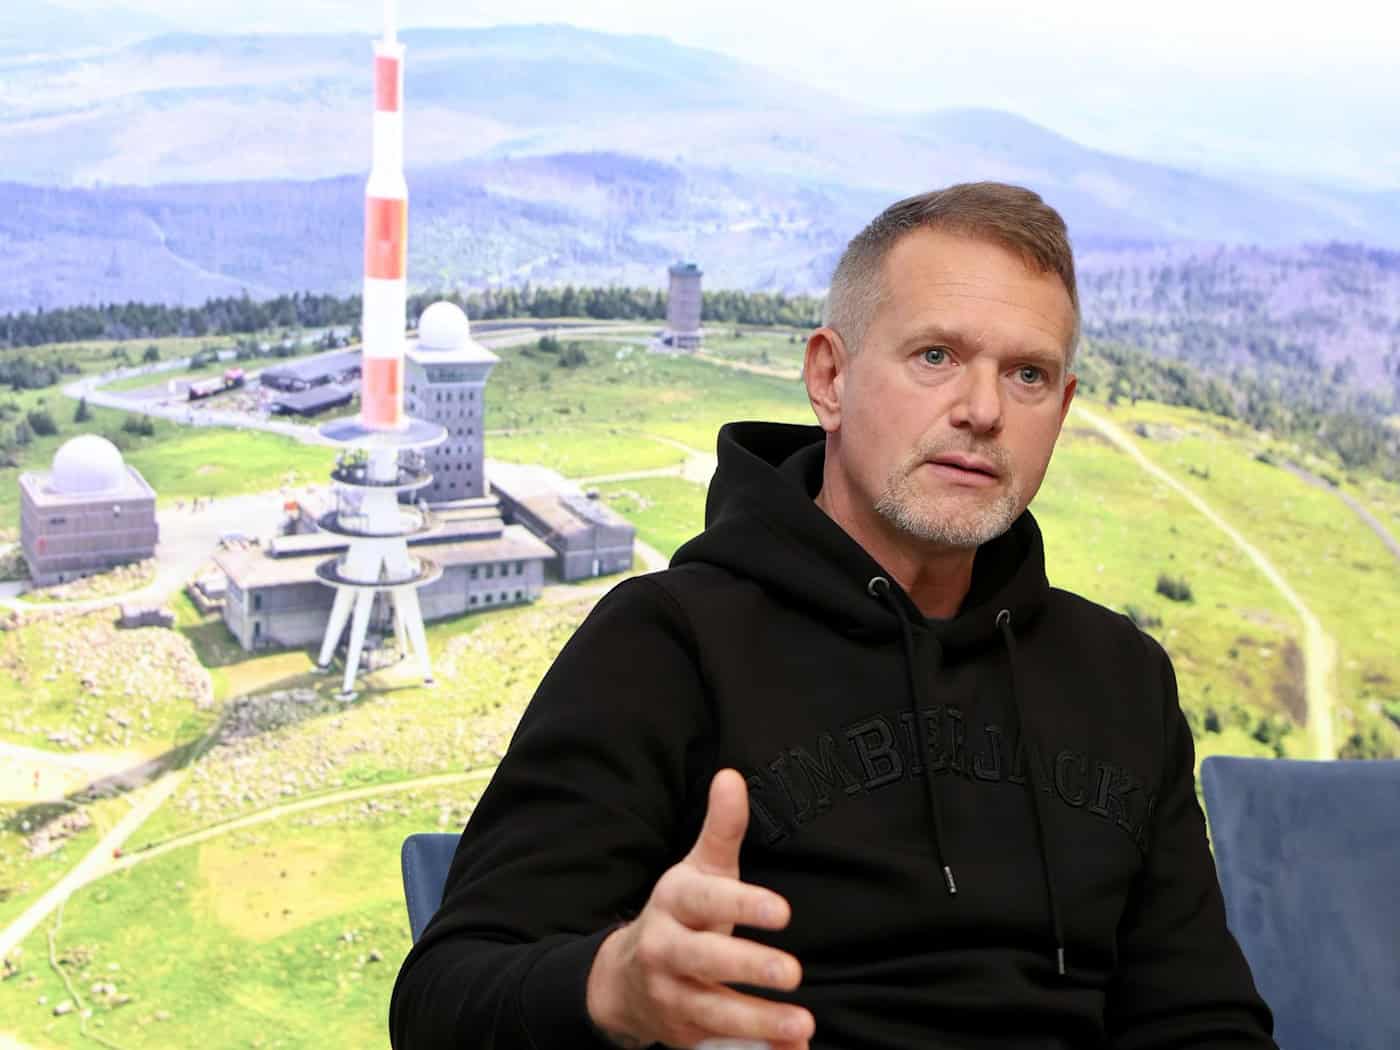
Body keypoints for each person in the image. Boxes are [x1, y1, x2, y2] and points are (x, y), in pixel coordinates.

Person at [389, 182, 1276, 1050]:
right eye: (935, 356)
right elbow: (441, 999)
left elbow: (1200, 1019)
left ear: (1064, 409)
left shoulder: (1120, 677)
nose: (982, 410)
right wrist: (615, 985)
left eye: (1028, 374)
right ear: (830, 377)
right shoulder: (666, 643)